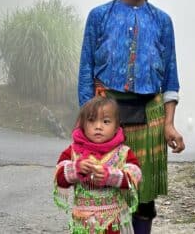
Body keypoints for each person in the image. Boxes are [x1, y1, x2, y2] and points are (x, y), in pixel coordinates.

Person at [78, 0, 185, 234]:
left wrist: (170, 125)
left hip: (151, 117)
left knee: (142, 197)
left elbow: (170, 78)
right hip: (106, 117)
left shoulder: (162, 22)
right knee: (104, 193)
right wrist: (87, 124)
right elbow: (86, 71)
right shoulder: (99, 17)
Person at [54, 96, 142, 234]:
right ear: (82, 124)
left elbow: (135, 175)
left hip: (114, 223)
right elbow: (59, 176)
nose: (98, 126)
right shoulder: (73, 151)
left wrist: (111, 176)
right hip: (84, 225)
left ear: (116, 126)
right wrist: (77, 169)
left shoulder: (123, 153)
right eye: (91, 120)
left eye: (106, 121)